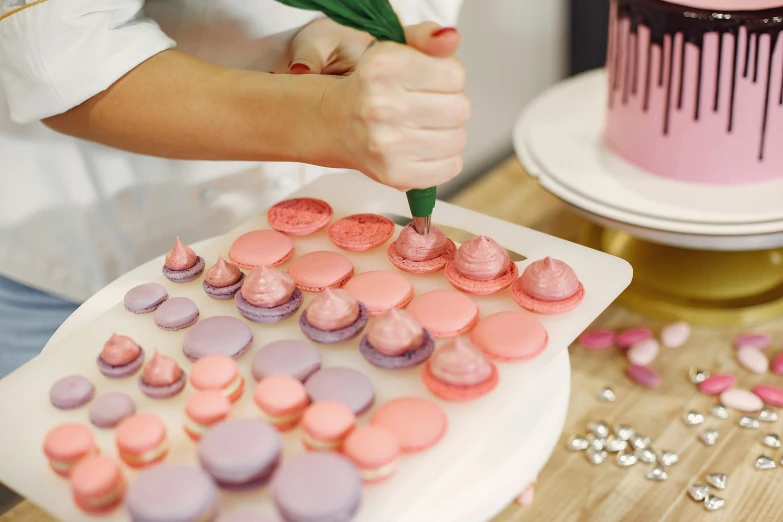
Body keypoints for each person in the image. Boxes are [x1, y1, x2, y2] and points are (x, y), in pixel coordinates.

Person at [0, 0, 469, 378]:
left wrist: (362, 27)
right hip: (71, 262)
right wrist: (316, 117)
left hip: (295, 254)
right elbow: (61, 56)